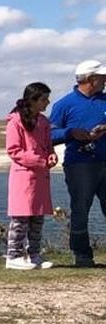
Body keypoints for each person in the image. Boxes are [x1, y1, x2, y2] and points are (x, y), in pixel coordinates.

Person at [48, 59, 106, 267]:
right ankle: (82, 255)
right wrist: (71, 133)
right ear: (91, 80)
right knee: (81, 209)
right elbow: (50, 134)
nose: (105, 81)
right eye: (102, 77)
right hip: (79, 165)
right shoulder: (64, 104)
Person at [4, 82, 57, 271]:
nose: (47, 102)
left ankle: (34, 255)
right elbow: (14, 150)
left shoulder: (43, 121)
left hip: (41, 178)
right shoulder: (15, 121)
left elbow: (48, 145)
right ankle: (13, 256)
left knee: (37, 218)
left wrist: (51, 154)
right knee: (21, 218)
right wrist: (39, 160)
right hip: (23, 177)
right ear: (33, 100)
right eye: (44, 99)